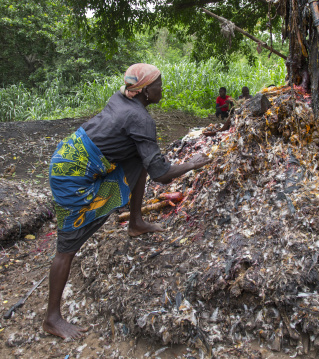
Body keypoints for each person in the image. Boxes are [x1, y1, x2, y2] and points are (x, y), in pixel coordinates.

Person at [43, 63, 211, 340]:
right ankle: (52, 318)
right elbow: (161, 174)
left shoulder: (122, 98)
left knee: (139, 157)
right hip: (71, 177)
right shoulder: (140, 119)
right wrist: (192, 163)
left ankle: (135, 222)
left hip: (69, 158)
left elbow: (147, 161)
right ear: (145, 90)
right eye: (158, 84)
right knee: (67, 246)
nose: (162, 88)